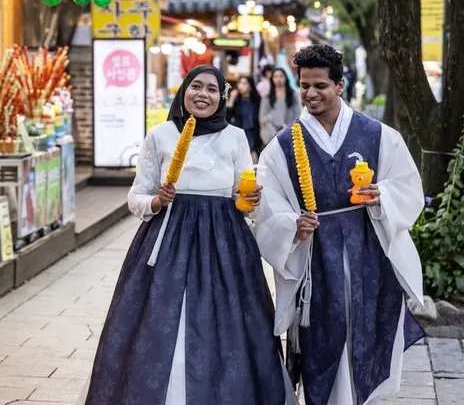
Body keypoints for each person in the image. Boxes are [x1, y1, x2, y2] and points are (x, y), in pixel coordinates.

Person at [79, 65, 295, 405]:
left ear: (222, 97)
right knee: (160, 324)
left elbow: (248, 196)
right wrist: (156, 200)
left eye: (212, 89)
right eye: (196, 86)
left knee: (225, 327)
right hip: (167, 243)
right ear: (184, 91)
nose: (203, 95)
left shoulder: (236, 137)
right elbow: (136, 196)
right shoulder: (160, 135)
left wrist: (251, 200)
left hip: (224, 246)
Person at [254, 44, 424, 405]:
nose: (310, 94)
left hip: (368, 247)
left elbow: (407, 186)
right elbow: (269, 205)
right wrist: (292, 225)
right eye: (304, 86)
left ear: (340, 86)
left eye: (320, 86)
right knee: (322, 334)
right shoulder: (283, 146)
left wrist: (383, 195)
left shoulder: (376, 135)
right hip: (316, 253)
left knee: (364, 328)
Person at [259, 67, 302, 145]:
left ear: (286, 78)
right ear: (272, 79)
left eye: (281, 76)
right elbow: (262, 119)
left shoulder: (293, 96)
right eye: (275, 76)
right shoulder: (267, 97)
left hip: (290, 134)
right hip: (271, 136)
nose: (278, 79)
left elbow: (298, 115)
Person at [227, 75, 262, 162]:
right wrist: (231, 99)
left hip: (252, 131)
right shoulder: (236, 99)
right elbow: (228, 115)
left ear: (250, 86)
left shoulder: (257, 100)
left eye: (244, 83)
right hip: (239, 129)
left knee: (252, 152)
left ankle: (254, 173)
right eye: (240, 83)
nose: (241, 86)